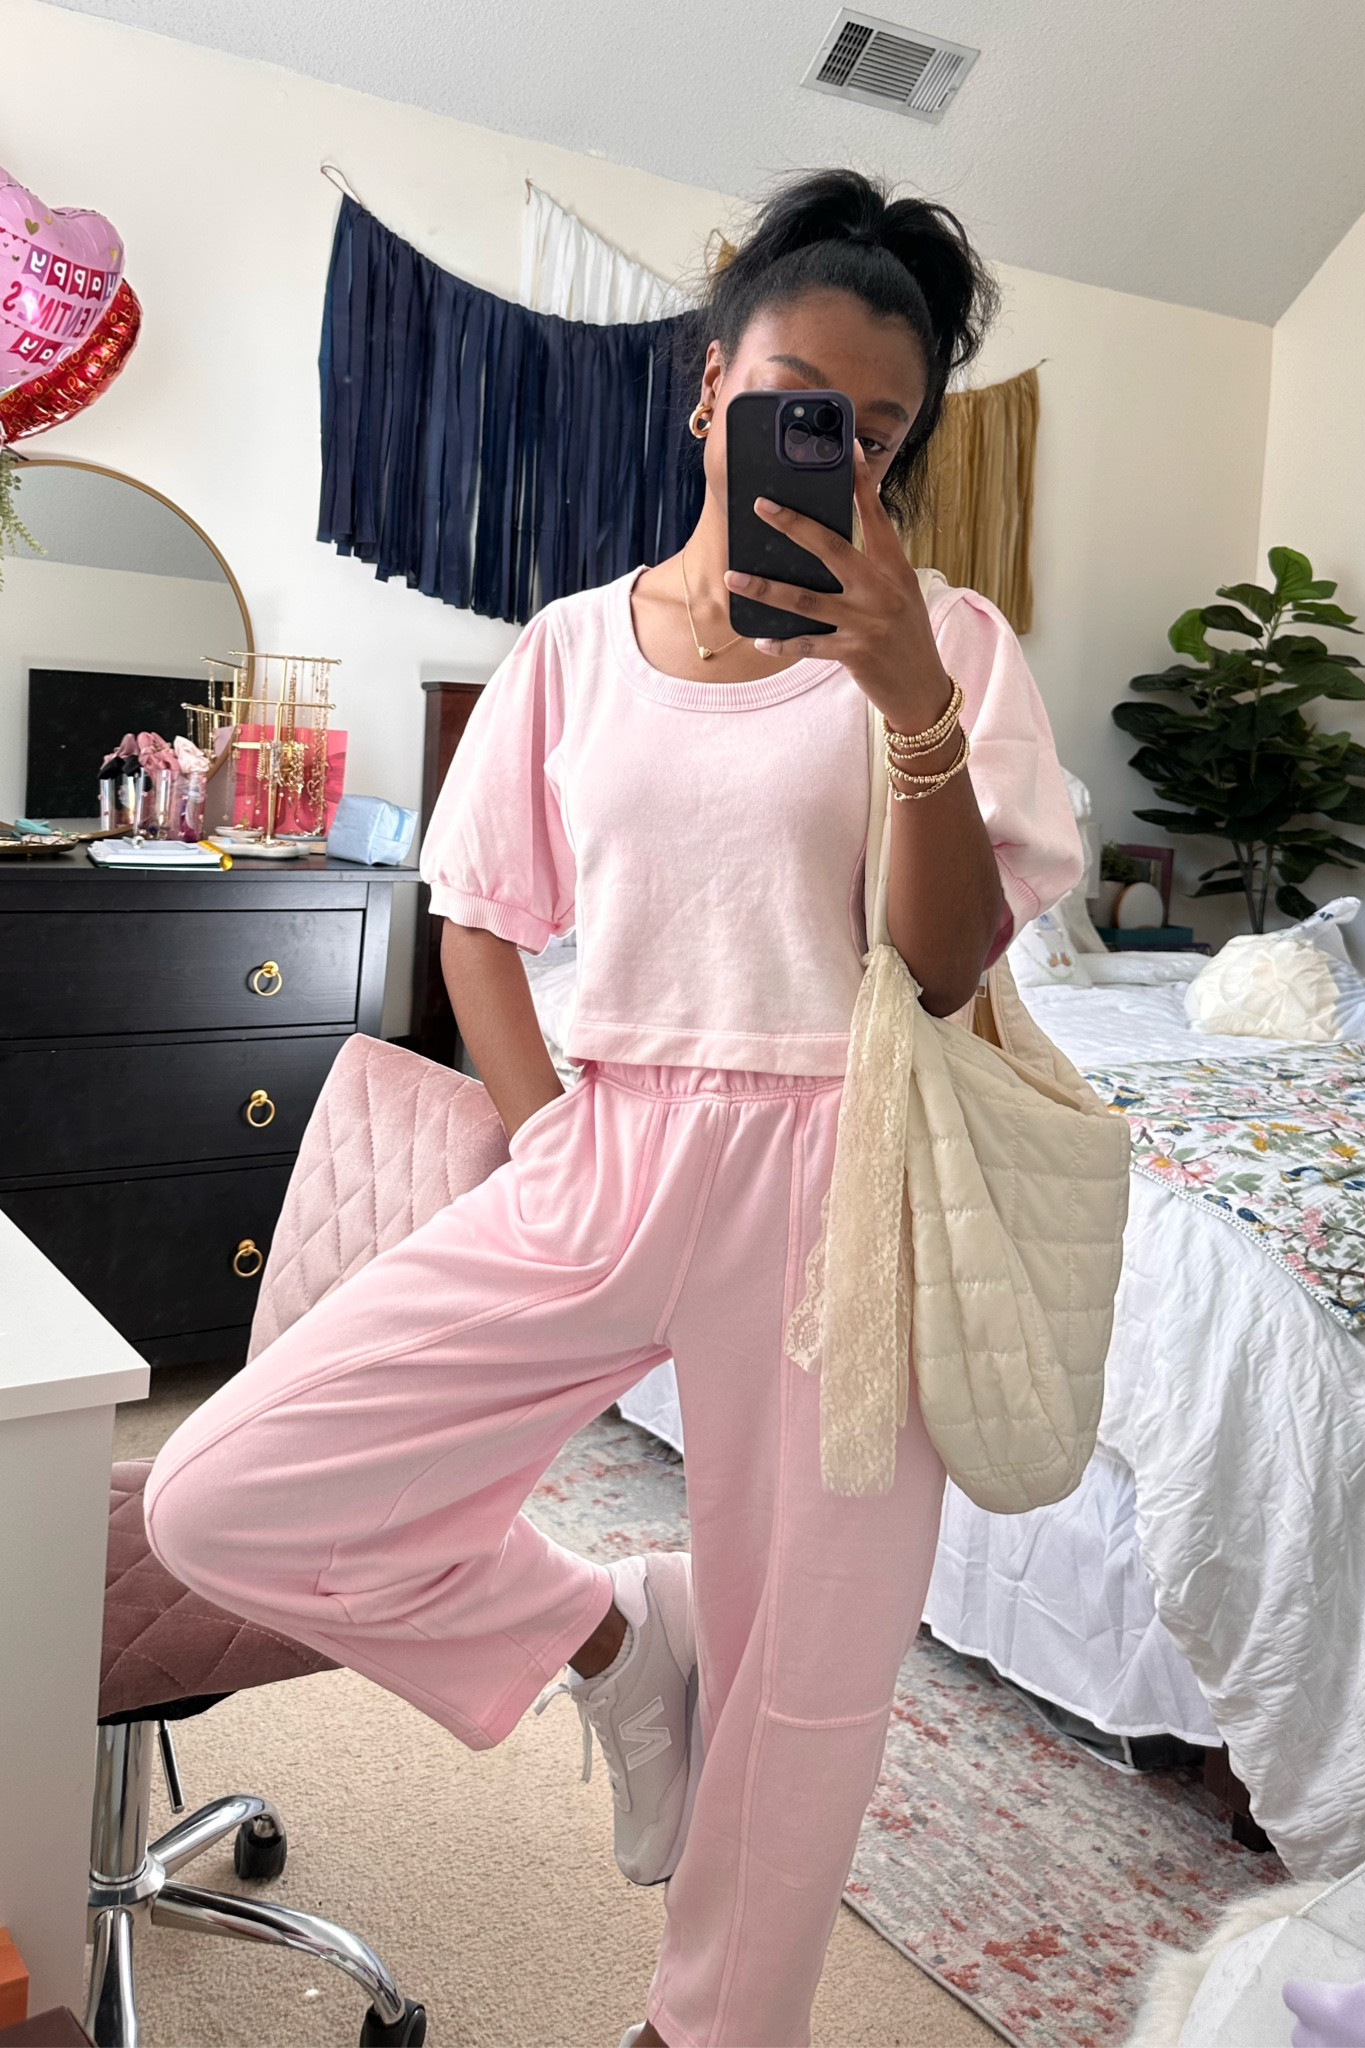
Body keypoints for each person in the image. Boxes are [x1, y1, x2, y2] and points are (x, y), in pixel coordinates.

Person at [144, 168, 1081, 2048]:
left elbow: (946, 963)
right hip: (612, 1142)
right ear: (708, 388)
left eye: (879, 431)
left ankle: (709, 2028)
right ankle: (614, 1635)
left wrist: (907, 697)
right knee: (221, 1490)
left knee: (808, 1681)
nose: (838, 453)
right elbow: (477, 919)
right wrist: (551, 1128)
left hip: (846, 1176)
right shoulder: (573, 645)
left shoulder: (954, 643)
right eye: (799, 403)